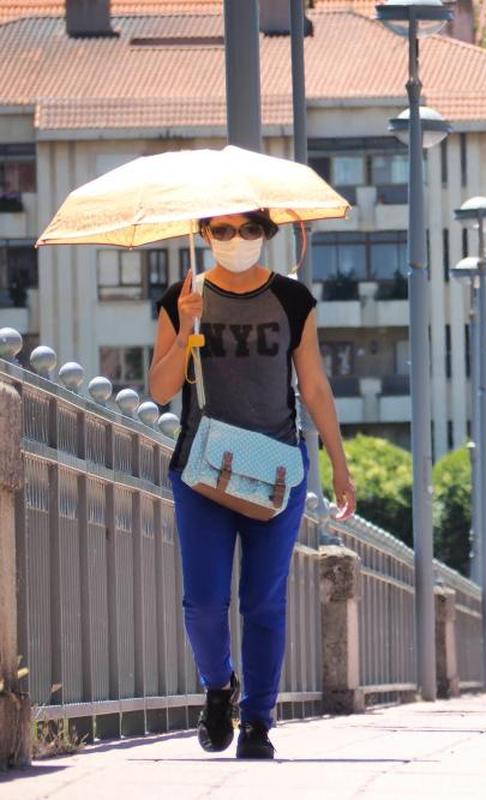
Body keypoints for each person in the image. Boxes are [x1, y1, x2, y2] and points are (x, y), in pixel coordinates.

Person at [149, 210, 356, 760]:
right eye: (222, 231)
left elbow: (312, 384)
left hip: (277, 471)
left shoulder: (292, 300)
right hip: (201, 469)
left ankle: (258, 722)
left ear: (266, 234)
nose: (235, 241)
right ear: (204, 235)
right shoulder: (182, 297)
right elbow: (162, 388)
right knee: (203, 603)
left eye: (248, 230)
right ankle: (219, 688)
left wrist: (338, 462)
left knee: (264, 602)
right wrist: (188, 327)